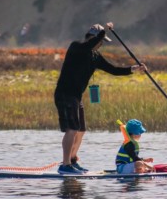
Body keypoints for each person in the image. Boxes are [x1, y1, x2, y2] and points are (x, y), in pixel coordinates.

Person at [54, 22, 147, 174]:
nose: (101, 44)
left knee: (81, 130)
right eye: (101, 41)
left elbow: (114, 70)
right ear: (93, 38)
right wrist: (104, 31)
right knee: (72, 129)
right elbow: (89, 44)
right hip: (65, 94)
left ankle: (72, 160)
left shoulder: (95, 56)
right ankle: (65, 166)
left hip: (77, 97)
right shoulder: (76, 47)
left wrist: (134, 69)